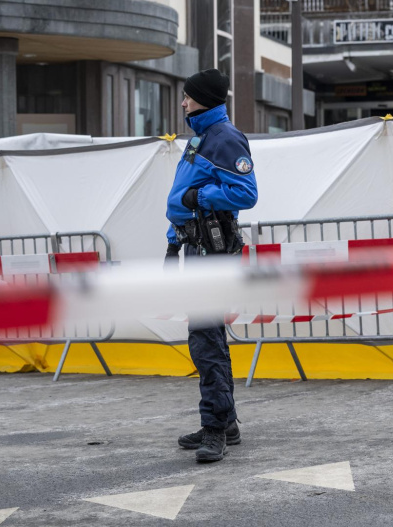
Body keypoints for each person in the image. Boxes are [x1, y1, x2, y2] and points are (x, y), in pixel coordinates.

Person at [165, 68, 258, 463]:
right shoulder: (199, 137)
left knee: (206, 342)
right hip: (196, 247)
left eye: (187, 96)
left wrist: (198, 198)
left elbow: (246, 193)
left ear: (202, 98)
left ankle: (216, 429)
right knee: (208, 338)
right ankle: (227, 422)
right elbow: (178, 196)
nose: (183, 102)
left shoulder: (224, 138)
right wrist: (173, 242)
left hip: (213, 252)